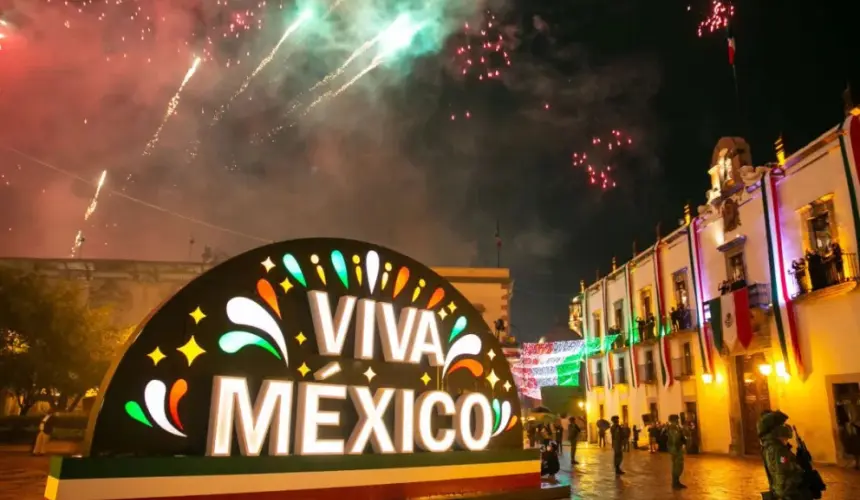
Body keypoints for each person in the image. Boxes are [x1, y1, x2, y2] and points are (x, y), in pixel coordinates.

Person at [758, 411, 813, 500]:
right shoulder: (778, 450)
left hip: (782, 489)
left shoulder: (770, 447)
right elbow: (782, 468)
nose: (787, 440)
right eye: (786, 438)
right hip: (787, 491)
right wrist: (799, 469)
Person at [667, 414, 687, 489]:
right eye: (677, 419)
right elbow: (675, 438)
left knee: (678, 465)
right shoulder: (673, 427)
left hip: (677, 448)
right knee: (677, 466)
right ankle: (675, 483)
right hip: (675, 448)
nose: (678, 420)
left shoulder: (676, 427)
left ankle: (677, 482)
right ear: (674, 420)